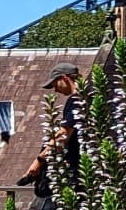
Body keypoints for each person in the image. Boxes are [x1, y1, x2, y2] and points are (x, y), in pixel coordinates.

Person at [16, 63, 81, 191]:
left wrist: (39, 162)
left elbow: (63, 134)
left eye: (55, 84)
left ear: (64, 78)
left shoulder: (76, 100)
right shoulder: (89, 94)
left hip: (78, 166)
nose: (55, 90)